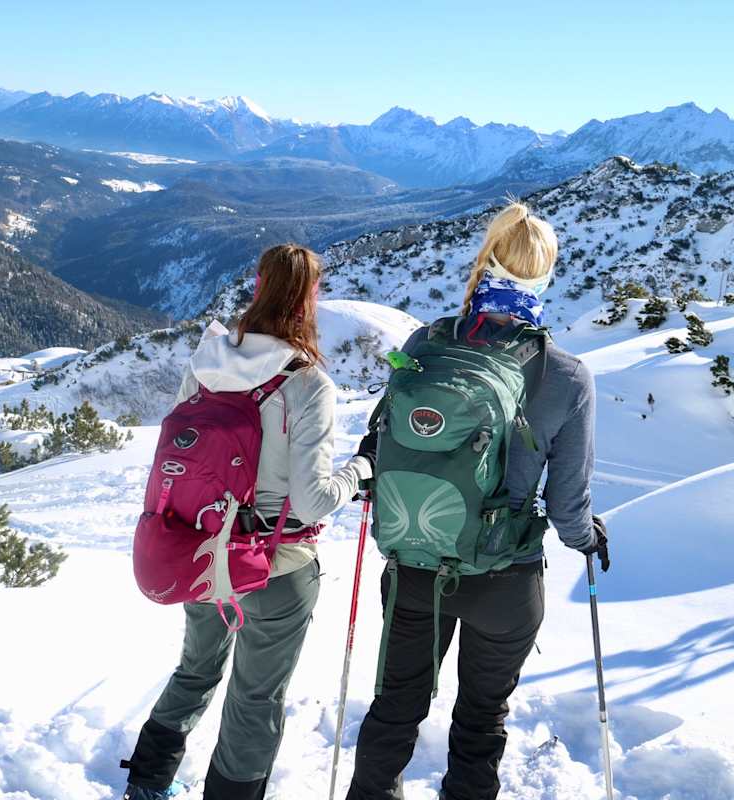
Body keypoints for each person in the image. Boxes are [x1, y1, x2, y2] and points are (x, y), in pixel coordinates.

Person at [346, 202, 608, 800]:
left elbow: (385, 438)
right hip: (504, 579)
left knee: (394, 710)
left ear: (484, 262)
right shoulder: (565, 375)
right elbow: (568, 503)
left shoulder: (426, 341)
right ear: (545, 277)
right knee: (481, 721)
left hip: (416, 563)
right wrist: (586, 538)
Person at [122, 244, 373, 800]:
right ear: (310, 298)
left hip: (201, 552)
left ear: (257, 288)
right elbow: (310, 502)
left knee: (194, 671)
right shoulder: (307, 384)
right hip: (275, 567)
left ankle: (145, 783)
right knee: (254, 699)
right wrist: (362, 469)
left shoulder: (207, 363)